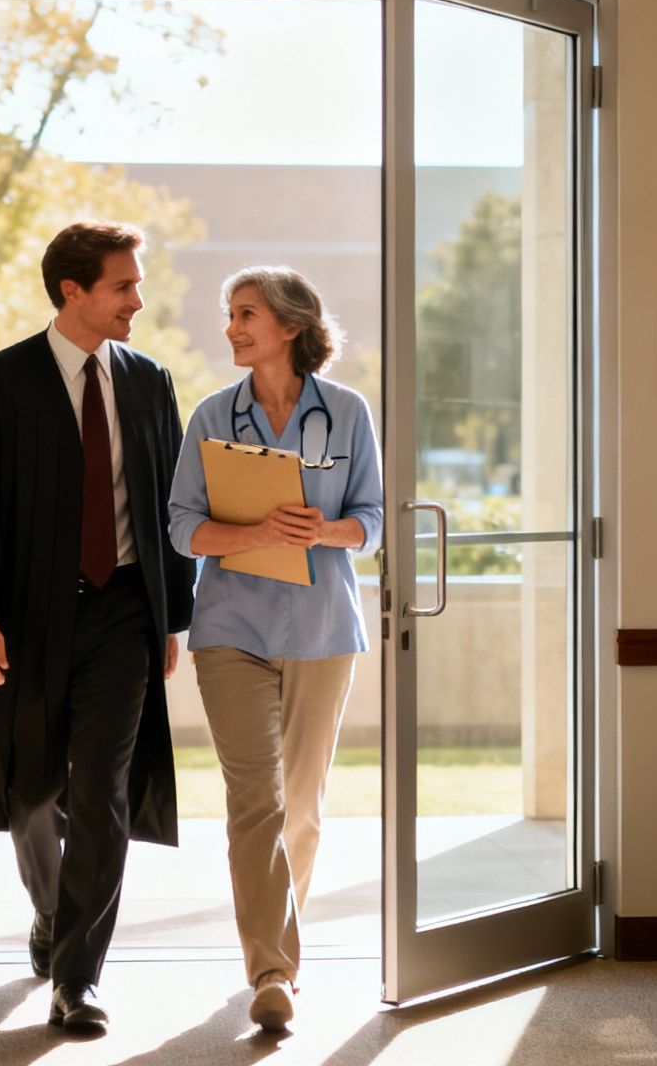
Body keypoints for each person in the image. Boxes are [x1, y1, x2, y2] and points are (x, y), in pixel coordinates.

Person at [0, 220, 196, 1035]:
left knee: (101, 790)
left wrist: (172, 615)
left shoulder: (149, 382)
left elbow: (167, 513)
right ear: (73, 290)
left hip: (122, 615)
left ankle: (78, 975)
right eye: (123, 286)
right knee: (32, 791)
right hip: (29, 616)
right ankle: (52, 913)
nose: (137, 301)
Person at [167, 267, 384, 1032]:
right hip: (231, 629)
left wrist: (324, 531)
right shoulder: (211, 417)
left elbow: (375, 520)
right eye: (229, 313)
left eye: (246, 314)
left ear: (290, 326)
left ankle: (277, 946)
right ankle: (273, 970)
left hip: (324, 630)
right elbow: (182, 526)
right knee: (253, 801)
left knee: (303, 806)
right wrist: (254, 534)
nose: (231, 327)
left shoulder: (348, 413)